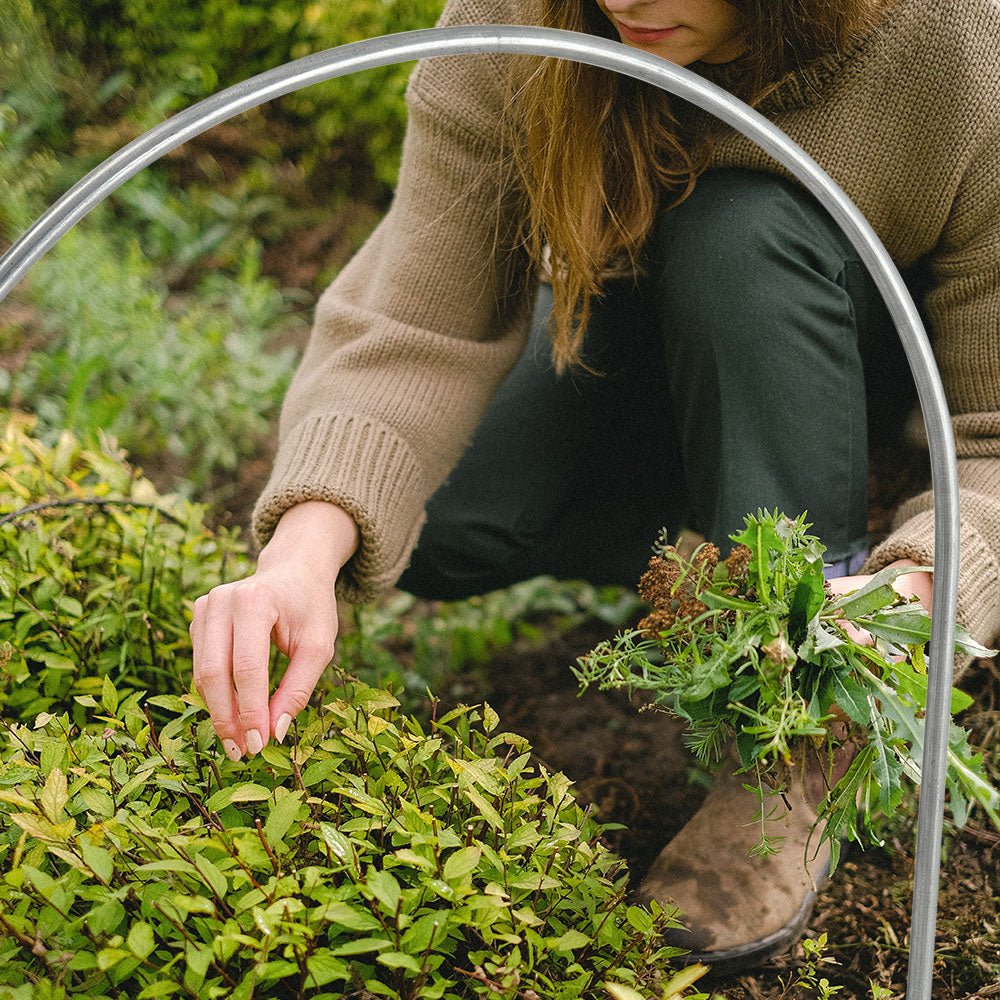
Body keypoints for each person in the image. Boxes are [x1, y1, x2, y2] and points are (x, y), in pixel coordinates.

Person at [189, 0, 1000, 973]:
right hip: (665, 348)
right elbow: (415, 317)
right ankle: (725, 571)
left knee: (741, 231)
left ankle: (802, 714)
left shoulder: (956, 45)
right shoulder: (519, 20)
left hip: (857, 380)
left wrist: (916, 592)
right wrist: (299, 553)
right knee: (435, 506)